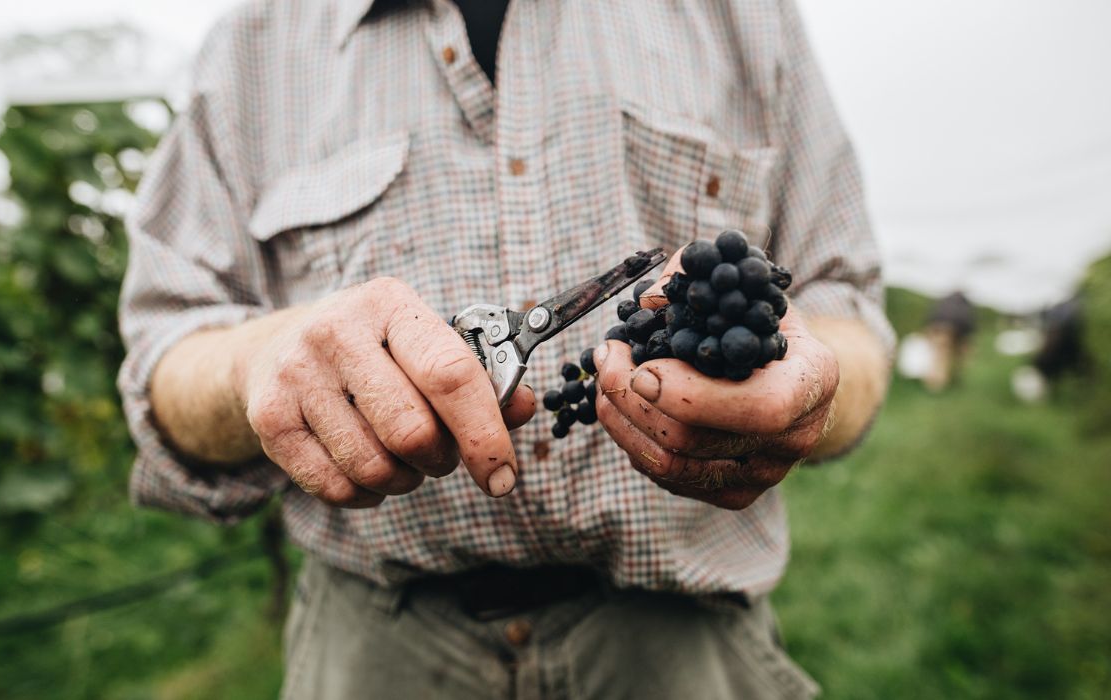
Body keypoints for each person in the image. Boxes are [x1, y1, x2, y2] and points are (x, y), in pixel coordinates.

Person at [117, 1, 893, 697]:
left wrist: (812, 390)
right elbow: (165, 360)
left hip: (683, 647)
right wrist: (261, 359)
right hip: (373, 647)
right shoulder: (256, 47)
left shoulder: (743, 17)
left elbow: (846, 312)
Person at [921, 291, 976, 391]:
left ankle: (937, 380)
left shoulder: (944, 311)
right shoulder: (961, 316)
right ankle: (939, 380)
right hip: (952, 326)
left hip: (947, 325)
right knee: (942, 355)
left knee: (940, 355)